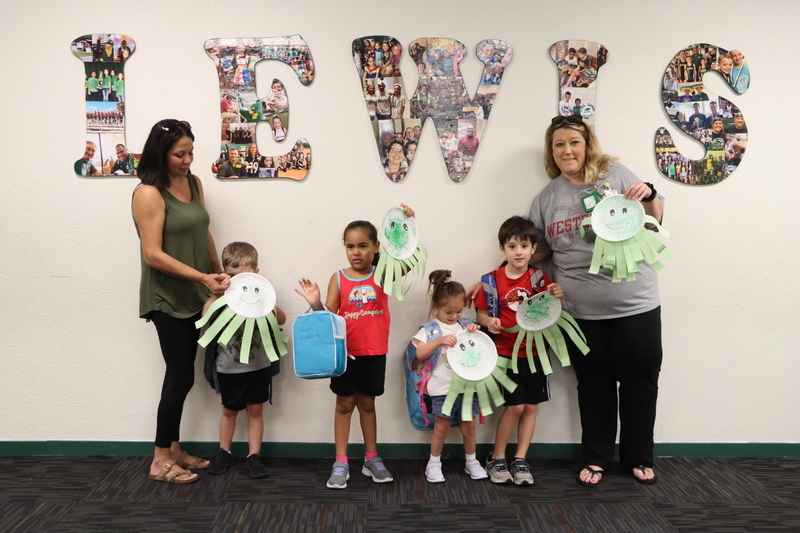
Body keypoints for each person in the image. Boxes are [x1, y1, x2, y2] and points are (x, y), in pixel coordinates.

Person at [528, 115, 664, 487]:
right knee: (593, 387)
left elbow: (656, 217)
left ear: (587, 143)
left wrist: (649, 194)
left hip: (636, 304)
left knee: (640, 383)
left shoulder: (615, 174)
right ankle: (598, 458)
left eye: (573, 141)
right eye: (558, 144)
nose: (566, 150)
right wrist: (493, 278)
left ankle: (639, 457)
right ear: (551, 151)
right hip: (581, 313)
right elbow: (533, 251)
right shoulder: (547, 197)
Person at [132, 119, 230, 484]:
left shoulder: (194, 183)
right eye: (179, 154)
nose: (188, 160)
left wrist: (219, 275)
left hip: (197, 292)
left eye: (191, 152)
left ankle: (174, 450)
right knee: (179, 376)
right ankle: (160, 460)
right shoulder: (148, 193)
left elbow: (202, 231)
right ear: (162, 153)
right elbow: (153, 255)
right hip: (166, 296)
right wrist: (201, 277)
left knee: (184, 375)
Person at [295, 205, 416, 489]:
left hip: (374, 352)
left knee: (367, 404)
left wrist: (407, 224)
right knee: (345, 405)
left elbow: (407, 259)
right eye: (350, 246)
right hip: (345, 356)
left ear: (376, 247)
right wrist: (315, 303)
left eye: (363, 245)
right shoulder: (338, 278)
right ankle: (341, 461)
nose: (356, 252)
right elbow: (329, 319)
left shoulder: (383, 273)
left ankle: (371, 458)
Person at [475, 216, 563, 486]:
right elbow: (479, 313)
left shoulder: (539, 278)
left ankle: (521, 459)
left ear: (533, 248)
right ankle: (497, 457)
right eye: (512, 246)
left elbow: (550, 307)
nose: (518, 252)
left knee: (531, 407)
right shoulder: (491, 281)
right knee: (514, 407)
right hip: (505, 355)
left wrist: (557, 292)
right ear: (503, 249)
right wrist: (489, 322)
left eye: (524, 246)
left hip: (536, 354)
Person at [204, 242, 286, 479]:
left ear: (256, 274)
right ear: (224, 274)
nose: (238, 282)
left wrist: (268, 303)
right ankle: (224, 452)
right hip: (229, 368)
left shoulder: (262, 298)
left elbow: (280, 319)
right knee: (229, 411)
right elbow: (205, 315)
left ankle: (254, 455)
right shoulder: (224, 300)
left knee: (256, 410)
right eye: (232, 276)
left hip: (258, 366)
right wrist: (217, 292)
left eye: (244, 276)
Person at [411, 270, 486, 483]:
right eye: (449, 312)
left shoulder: (464, 326)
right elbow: (419, 353)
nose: (454, 316)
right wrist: (440, 341)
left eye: (459, 311)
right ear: (436, 305)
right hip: (441, 389)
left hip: (466, 388)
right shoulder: (431, 330)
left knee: (469, 428)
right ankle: (433, 463)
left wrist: (473, 330)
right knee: (441, 428)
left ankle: (471, 461)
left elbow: (478, 349)